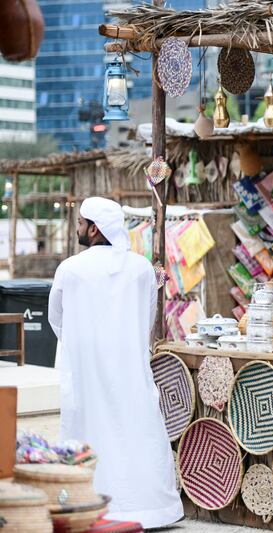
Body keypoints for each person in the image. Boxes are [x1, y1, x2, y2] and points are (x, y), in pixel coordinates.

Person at [48, 197, 183, 528]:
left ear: (94, 229)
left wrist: (83, 345)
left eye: (81, 222)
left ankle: (85, 506)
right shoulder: (141, 270)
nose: (77, 227)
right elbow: (150, 316)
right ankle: (150, 510)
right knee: (135, 428)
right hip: (130, 368)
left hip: (86, 371)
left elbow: (56, 319)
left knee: (89, 428)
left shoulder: (70, 268)